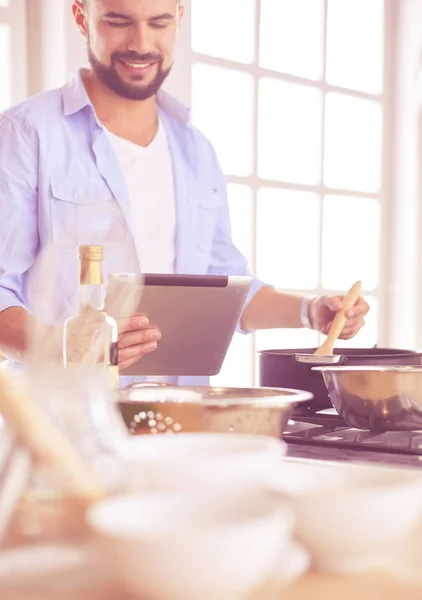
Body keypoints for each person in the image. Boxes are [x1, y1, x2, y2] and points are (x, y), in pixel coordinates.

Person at [0, 0, 369, 385]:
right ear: (82, 18)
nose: (140, 44)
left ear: (179, 18)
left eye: (158, 22)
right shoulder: (26, 134)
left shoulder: (197, 150)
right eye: (119, 21)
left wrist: (312, 312)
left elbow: (225, 289)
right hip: (67, 424)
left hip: (183, 422)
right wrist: (70, 348)